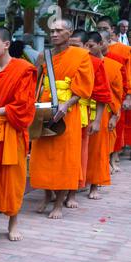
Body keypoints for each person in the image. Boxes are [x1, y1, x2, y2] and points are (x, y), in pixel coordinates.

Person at [29, 19, 94, 219]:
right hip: (45, 110)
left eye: (59, 30)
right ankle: (47, 195)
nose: (54, 34)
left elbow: (83, 88)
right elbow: (36, 83)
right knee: (42, 156)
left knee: (64, 158)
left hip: (68, 111)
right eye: (52, 31)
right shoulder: (44, 55)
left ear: (69, 32)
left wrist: (66, 105)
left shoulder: (81, 56)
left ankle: (59, 202)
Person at [0, 27, 36, 243]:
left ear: (6, 44)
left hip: (11, 130)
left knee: (13, 179)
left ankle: (13, 222)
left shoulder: (23, 69)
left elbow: (24, 105)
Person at [65, 29, 111, 208]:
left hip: (85, 113)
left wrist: (97, 120)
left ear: (85, 46)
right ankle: (58, 190)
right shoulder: (61, 58)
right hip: (63, 111)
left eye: (76, 45)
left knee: (83, 154)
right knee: (65, 155)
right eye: (70, 45)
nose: (72, 49)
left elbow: (102, 95)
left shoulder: (95, 63)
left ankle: (75, 192)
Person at [86, 31, 123, 199]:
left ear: (101, 45)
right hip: (82, 110)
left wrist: (115, 116)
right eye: (85, 46)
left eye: (91, 46)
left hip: (102, 112)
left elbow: (117, 94)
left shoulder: (113, 66)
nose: (87, 49)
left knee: (98, 151)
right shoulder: (83, 62)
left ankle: (94, 185)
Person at [98, 16, 131, 164]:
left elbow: (128, 73)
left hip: (118, 92)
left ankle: (113, 157)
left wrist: (128, 95)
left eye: (105, 28)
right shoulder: (92, 48)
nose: (102, 31)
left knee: (117, 124)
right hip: (99, 95)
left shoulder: (124, 50)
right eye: (99, 29)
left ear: (112, 30)